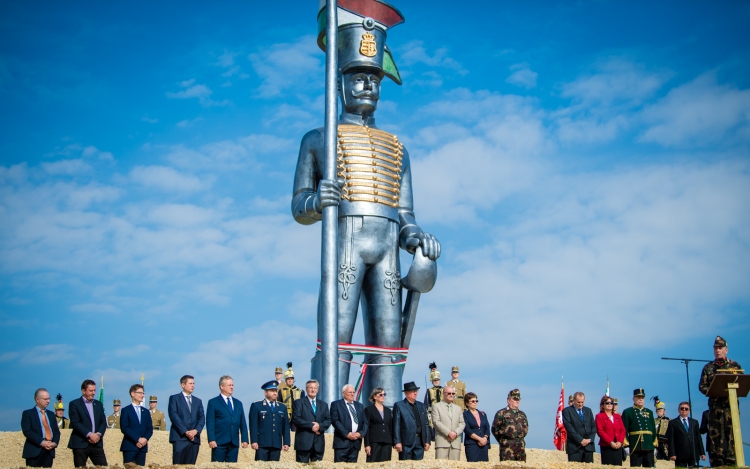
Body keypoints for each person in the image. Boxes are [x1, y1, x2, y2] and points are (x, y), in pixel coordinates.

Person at [293, 3, 441, 406]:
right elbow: (298, 204)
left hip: (387, 246)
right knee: (336, 335)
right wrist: (315, 199)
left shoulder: (397, 147)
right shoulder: (317, 138)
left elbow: (406, 211)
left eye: (373, 79)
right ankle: (327, 413)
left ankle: (388, 417)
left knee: (388, 342)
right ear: (339, 83)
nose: (367, 87)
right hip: (346, 240)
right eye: (358, 78)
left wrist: (416, 237)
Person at [698, 335, 743, 467]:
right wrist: (713, 390)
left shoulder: (734, 365)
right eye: (716, 348)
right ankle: (717, 461)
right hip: (715, 407)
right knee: (715, 433)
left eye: (720, 348)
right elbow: (702, 386)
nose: (718, 350)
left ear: (726, 350)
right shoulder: (708, 367)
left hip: (731, 406)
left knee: (732, 432)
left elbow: (741, 382)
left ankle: (732, 459)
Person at [205, 375, 249, 462]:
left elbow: (242, 422)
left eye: (232, 385)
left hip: (234, 442)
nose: (232, 387)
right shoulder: (213, 402)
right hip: (219, 442)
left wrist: (245, 439)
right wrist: (211, 439)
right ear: (221, 386)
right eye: (229, 385)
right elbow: (210, 423)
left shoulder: (238, 403)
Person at [67, 379, 108, 467]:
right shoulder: (74, 404)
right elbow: (75, 423)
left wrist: (98, 435)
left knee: (103, 467)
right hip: (80, 443)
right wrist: (89, 434)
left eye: (94, 390)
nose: (93, 393)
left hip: (96, 444)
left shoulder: (98, 404)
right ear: (83, 391)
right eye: (90, 391)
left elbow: (103, 422)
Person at [249, 380, 291, 461]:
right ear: (265, 392)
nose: (275, 393)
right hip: (262, 444)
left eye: (276, 391)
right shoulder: (257, 405)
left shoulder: (282, 407)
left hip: (276, 444)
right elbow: (253, 425)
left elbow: (285, 426)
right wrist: (254, 441)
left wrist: (286, 442)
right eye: (272, 391)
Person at [168, 374, 205, 464]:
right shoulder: (174, 398)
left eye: (193, 383)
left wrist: (195, 431)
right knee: (178, 465)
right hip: (180, 438)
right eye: (190, 383)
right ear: (183, 385)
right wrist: (185, 431)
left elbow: (202, 418)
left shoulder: (198, 401)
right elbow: (173, 416)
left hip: (194, 440)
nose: (193, 385)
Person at [292, 379, 331, 462]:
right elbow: (296, 419)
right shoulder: (299, 403)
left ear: (318, 389)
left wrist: (319, 426)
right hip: (303, 443)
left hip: (318, 444)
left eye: (315, 388)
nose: (313, 390)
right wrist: (312, 426)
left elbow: (328, 420)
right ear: (306, 389)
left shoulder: (323, 404)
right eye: (310, 388)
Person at [21, 388, 60, 468]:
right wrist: (42, 442)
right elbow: (27, 431)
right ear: (37, 399)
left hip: (49, 451)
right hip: (34, 451)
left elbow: (56, 431)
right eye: (45, 399)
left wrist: (54, 443)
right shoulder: (28, 414)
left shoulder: (51, 414)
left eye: (49, 399)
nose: (48, 401)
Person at [330, 384, 368, 462]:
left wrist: (360, 434)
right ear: (343, 393)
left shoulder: (360, 406)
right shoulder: (336, 404)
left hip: (356, 443)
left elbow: (365, 422)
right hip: (342, 442)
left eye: (353, 392)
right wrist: (347, 434)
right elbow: (335, 421)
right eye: (349, 392)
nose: (352, 394)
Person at [393, 381, 431, 460]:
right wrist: (397, 442)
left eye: (416, 391)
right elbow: (396, 424)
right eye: (413, 391)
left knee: (418, 466)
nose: (415, 393)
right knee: (405, 465)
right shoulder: (399, 405)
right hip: (406, 442)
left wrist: (427, 441)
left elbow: (426, 424)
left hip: (420, 441)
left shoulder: (421, 406)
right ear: (406, 393)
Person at [119, 384, 153, 466]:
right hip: (130, 446)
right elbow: (124, 427)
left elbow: (150, 429)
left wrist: (144, 439)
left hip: (142, 447)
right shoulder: (126, 410)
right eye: (140, 393)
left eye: (143, 393)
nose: (142, 395)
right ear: (132, 393)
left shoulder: (146, 411)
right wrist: (137, 439)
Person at [621, 388, 656, 468]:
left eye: (642, 398)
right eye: (638, 397)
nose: (640, 399)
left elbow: (653, 429)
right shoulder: (628, 412)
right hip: (635, 445)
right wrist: (626, 445)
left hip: (648, 445)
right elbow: (624, 429)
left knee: (649, 467)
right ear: (633, 399)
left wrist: (654, 445)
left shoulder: (649, 412)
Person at [492, 389, 529, 461]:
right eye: (515, 399)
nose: (517, 401)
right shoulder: (501, 413)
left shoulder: (522, 414)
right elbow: (495, 430)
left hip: (520, 447)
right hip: (507, 448)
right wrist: (504, 440)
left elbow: (526, 428)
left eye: (518, 399)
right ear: (509, 400)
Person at [666, 402, 706, 468]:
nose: (684, 410)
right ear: (678, 410)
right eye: (682, 408)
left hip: (694, 453)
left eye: (686, 409)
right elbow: (671, 439)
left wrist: (702, 453)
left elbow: (698, 438)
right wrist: (672, 454)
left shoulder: (694, 422)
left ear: (689, 410)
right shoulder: (673, 423)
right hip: (680, 454)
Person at [431, 385, 465, 460]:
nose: (451, 395)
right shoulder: (436, 406)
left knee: (455, 466)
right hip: (442, 442)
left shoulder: (458, 408)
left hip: (455, 443)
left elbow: (462, 423)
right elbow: (436, 422)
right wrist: (448, 433)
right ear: (443, 394)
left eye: (453, 393)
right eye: (449, 393)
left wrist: (455, 433)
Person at [562, 391, 596, 463]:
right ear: (574, 400)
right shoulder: (567, 411)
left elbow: (593, 426)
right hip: (575, 448)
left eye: (582, 402)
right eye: (578, 402)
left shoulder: (588, 410)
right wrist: (581, 440)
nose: (580, 404)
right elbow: (569, 427)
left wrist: (590, 439)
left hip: (588, 447)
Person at [364, 387, 393, 462]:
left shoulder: (388, 411)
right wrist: (367, 444)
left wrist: (394, 441)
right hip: (374, 442)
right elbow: (366, 428)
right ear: (374, 396)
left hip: (387, 442)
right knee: (372, 464)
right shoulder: (369, 410)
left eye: (384, 394)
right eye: (380, 394)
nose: (383, 396)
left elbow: (390, 427)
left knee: (385, 464)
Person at [595, 395, 625, 466]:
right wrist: (611, 442)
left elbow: (623, 430)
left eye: (611, 403)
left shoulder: (617, 416)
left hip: (618, 446)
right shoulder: (599, 416)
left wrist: (620, 442)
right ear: (602, 405)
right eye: (607, 403)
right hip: (607, 446)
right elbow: (600, 431)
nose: (609, 404)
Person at [463, 392, 490, 462]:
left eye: (476, 401)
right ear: (467, 403)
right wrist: (479, 439)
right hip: (472, 445)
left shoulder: (483, 414)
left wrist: (485, 438)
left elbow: (487, 427)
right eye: (473, 401)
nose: (475, 403)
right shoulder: (464, 415)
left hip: (484, 445)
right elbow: (467, 429)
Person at [278, 362, 305, 428]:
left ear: (293, 380)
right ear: (285, 380)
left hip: (297, 416)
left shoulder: (300, 391)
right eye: (288, 379)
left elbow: (303, 405)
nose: (290, 380)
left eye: (291, 379)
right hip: (285, 415)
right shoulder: (281, 391)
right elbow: (279, 403)